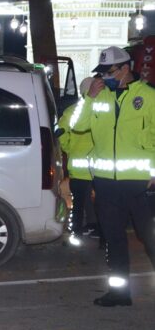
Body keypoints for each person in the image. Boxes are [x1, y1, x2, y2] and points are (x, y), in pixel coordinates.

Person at [71, 46, 155, 306]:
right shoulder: (98, 97)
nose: (104, 78)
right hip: (107, 184)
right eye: (102, 73)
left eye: (109, 72)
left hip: (141, 183)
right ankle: (120, 293)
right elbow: (77, 125)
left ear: (125, 69)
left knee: (150, 238)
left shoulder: (149, 96)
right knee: (114, 239)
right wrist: (87, 98)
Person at [57, 77, 102, 248]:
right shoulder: (101, 109)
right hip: (99, 168)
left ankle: (76, 232)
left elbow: (61, 134)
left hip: (78, 167)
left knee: (78, 204)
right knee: (100, 202)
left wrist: (70, 149)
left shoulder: (70, 112)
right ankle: (100, 233)